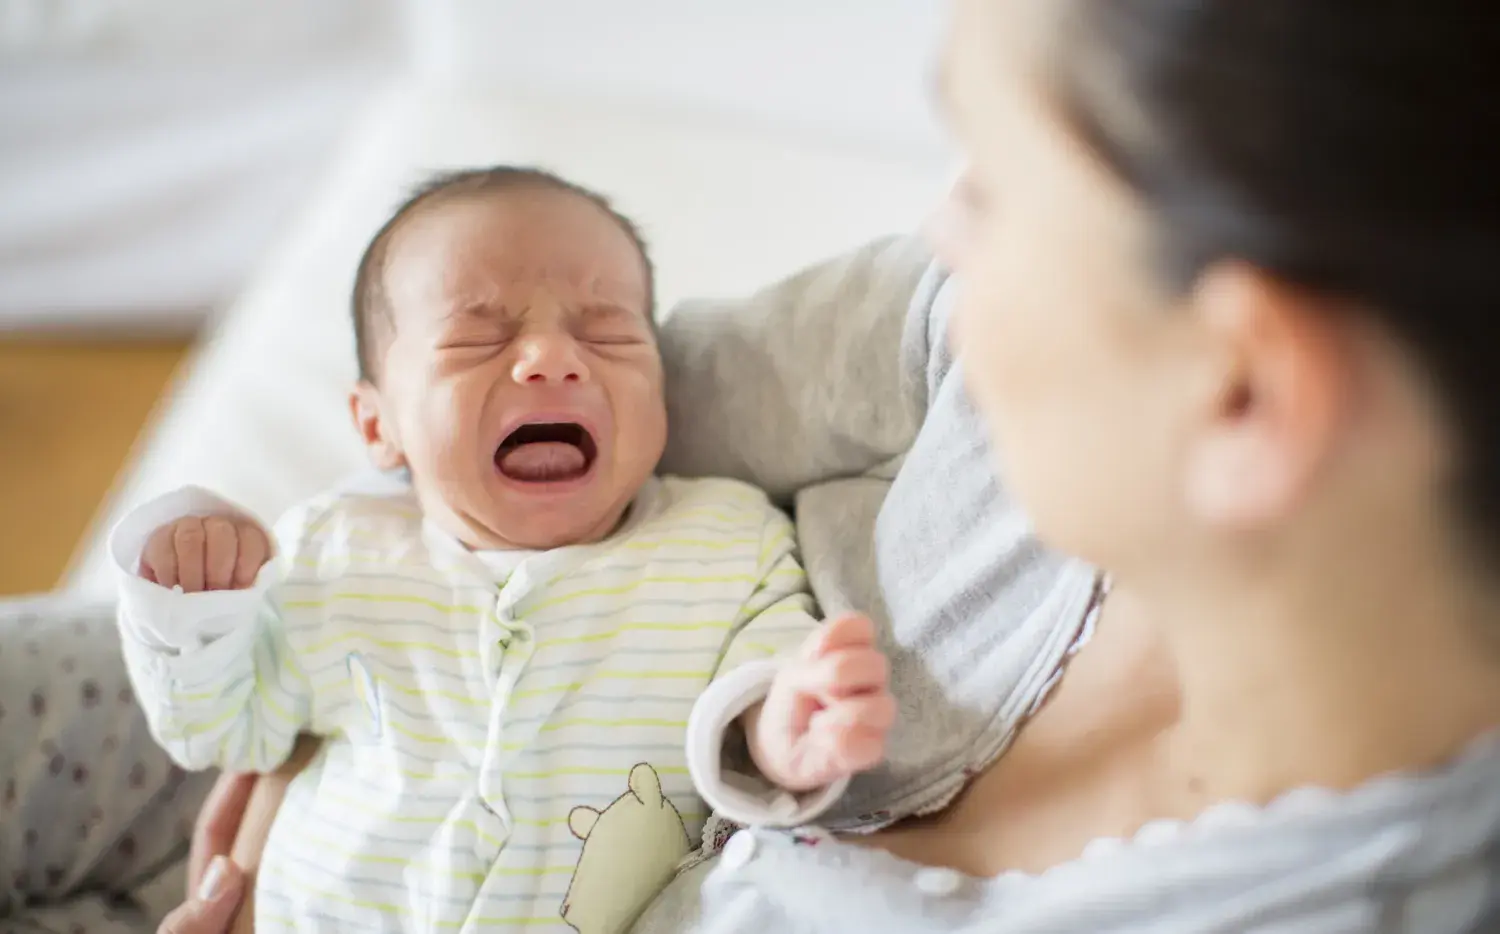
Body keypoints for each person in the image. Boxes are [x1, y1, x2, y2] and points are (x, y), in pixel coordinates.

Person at [5, 0, 1499, 930]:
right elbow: (627, 392)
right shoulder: (958, 364)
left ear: (1239, 392)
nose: (936, 238)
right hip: (377, 740)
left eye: (998, 185)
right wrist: (349, 639)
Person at [108, 166, 893, 932]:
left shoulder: (727, 539)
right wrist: (195, 605)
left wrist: (786, 722)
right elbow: (225, 731)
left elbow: (759, 680)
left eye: (608, 331)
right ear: (378, 426)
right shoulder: (335, 548)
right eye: (477, 336)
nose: (552, 358)